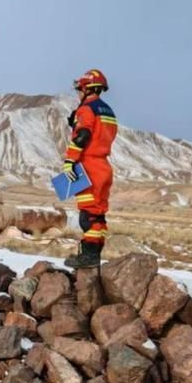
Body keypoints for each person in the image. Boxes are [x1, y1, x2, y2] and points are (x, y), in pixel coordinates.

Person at [61, 69, 118, 269]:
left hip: (89, 166)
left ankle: (89, 257)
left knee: (88, 215)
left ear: (87, 89)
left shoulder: (86, 110)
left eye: (79, 89)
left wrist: (70, 160)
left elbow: (83, 136)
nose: (78, 93)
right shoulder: (108, 112)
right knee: (98, 214)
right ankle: (94, 254)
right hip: (104, 167)